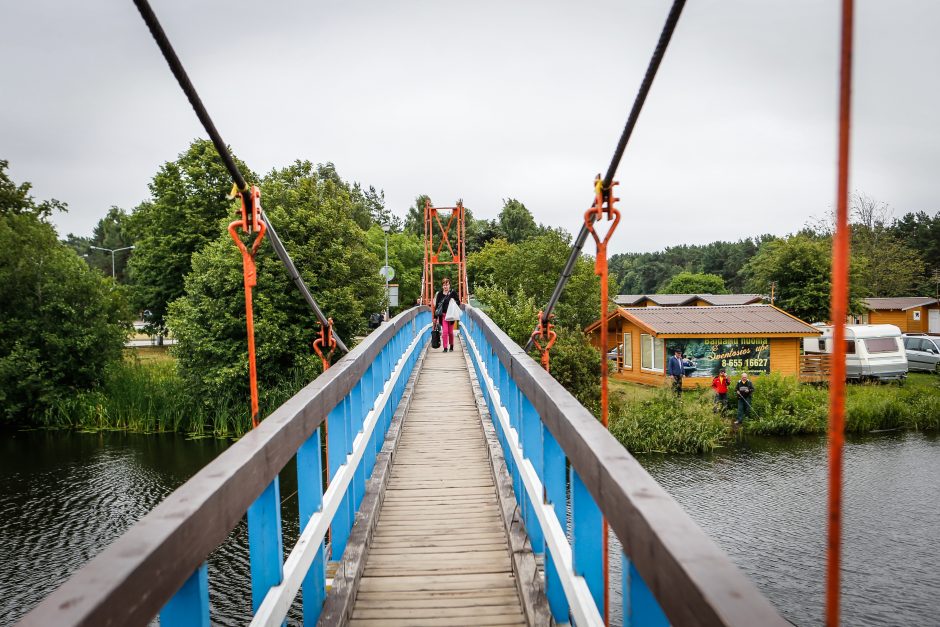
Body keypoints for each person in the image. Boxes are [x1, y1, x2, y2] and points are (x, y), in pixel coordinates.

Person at [434, 278, 458, 352]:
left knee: (450, 332)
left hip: (451, 316)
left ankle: (451, 345)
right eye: (444, 285)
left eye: (447, 285)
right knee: (445, 332)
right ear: (442, 286)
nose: (445, 286)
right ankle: (445, 347)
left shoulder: (453, 293)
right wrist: (435, 317)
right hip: (443, 316)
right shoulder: (440, 294)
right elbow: (437, 306)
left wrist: (454, 301)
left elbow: (459, 302)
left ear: (449, 285)